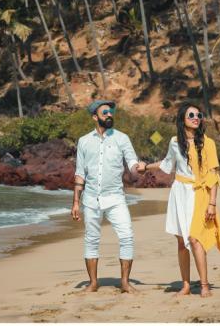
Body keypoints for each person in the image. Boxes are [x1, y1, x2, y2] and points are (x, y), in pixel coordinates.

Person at [140, 102, 220, 297]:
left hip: (199, 194)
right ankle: (186, 285)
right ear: (182, 120)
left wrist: (212, 203)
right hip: (179, 192)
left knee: (195, 239)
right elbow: (166, 164)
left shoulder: (208, 143)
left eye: (199, 114)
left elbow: (213, 175)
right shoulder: (174, 142)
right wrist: (145, 167)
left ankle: (204, 285)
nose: (196, 118)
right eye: (191, 115)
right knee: (181, 242)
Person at [71, 99, 146, 294]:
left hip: (115, 198)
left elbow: (131, 161)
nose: (109, 115)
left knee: (127, 236)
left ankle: (125, 283)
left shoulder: (122, 138)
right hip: (90, 199)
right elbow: (80, 173)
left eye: (111, 111)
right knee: (91, 240)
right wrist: (76, 202)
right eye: (105, 112)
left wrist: (137, 168)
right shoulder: (84, 141)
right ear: (95, 117)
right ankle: (93, 283)